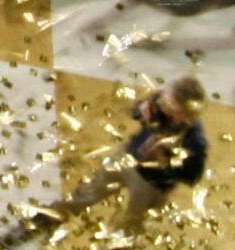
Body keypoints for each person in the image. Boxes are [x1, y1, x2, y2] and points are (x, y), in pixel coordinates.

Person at [56, 75, 209, 232]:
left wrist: (165, 161)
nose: (162, 103)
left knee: (131, 221)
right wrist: (141, 109)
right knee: (91, 190)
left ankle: (116, 245)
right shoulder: (159, 101)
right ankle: (53, 217)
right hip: (126, 157)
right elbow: (135, 112)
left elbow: (193, 177)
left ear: (183, 112)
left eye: (169, 104)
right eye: (165, 99)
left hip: (151, 185)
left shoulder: (194, 141)